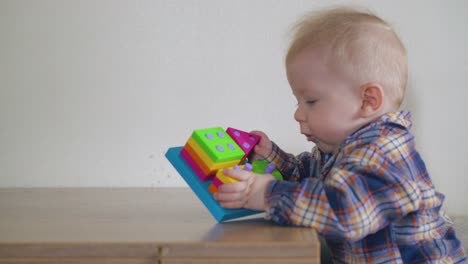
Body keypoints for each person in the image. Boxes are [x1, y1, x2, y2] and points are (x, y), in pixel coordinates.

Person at [213, 6, 467, 263]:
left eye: (310, 101)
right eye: (298, 102)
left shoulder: (384, 152)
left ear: (368, 100)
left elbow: (346, 212)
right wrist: (271, 156)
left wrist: (268, 194)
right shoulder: (343, 148)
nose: (298, 114)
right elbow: (310, 175)